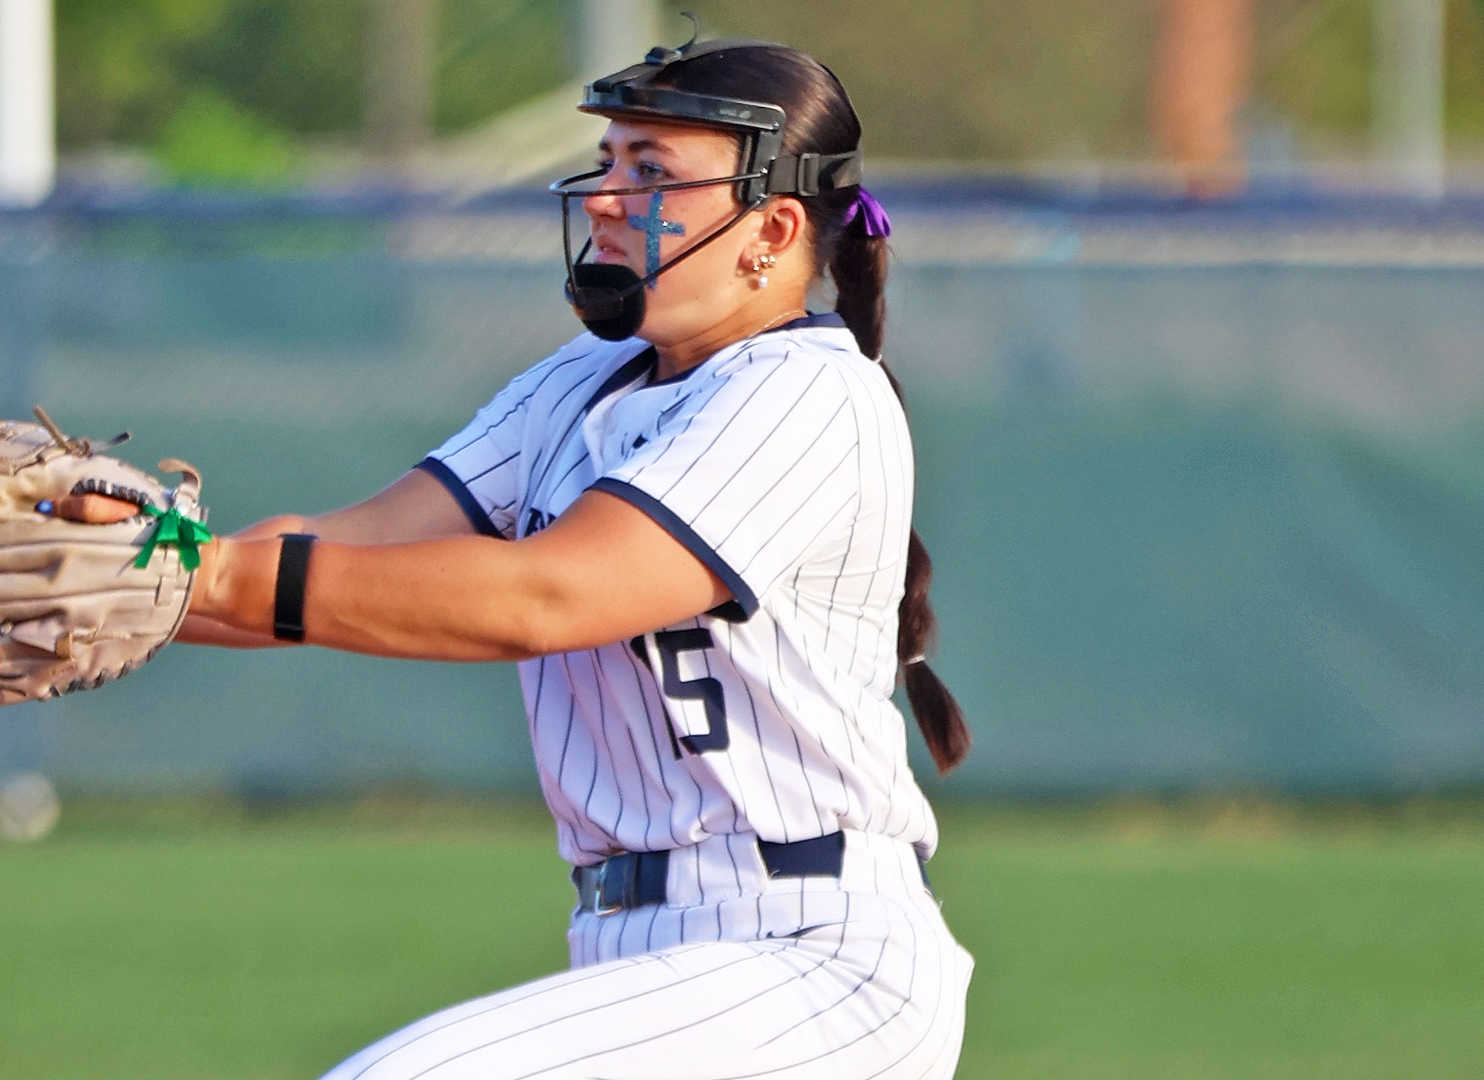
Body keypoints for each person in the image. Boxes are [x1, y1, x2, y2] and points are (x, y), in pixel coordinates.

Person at [80, 33, 974, 1080]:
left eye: (651, 171)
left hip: (810, 959)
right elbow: (351, 548)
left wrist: (220, 577)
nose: (604, 193)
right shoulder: (580, 384)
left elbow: (548, 594)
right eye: (609, 161)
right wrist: (145, 569)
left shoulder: (805, 391)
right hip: (643, 956)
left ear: (770, 230)